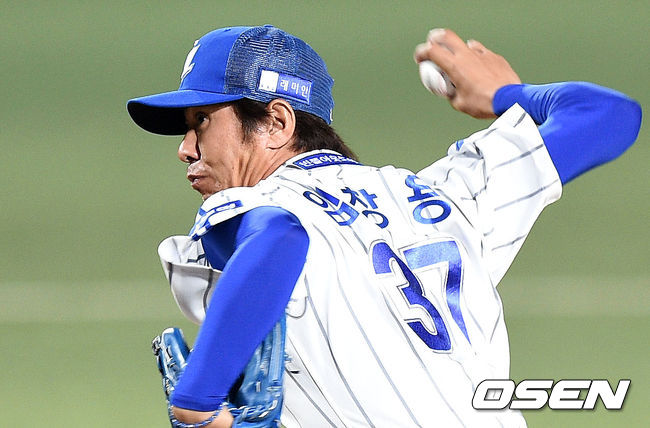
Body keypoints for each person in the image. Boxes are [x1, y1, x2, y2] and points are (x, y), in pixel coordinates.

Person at [127, 25, 641, 427]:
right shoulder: (443, 196)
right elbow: (608, 114)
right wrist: (507, 93)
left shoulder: (254, 204)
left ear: (278, 123)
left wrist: (196, 401)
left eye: (201, 122)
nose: (186, 149)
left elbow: (279, 238)